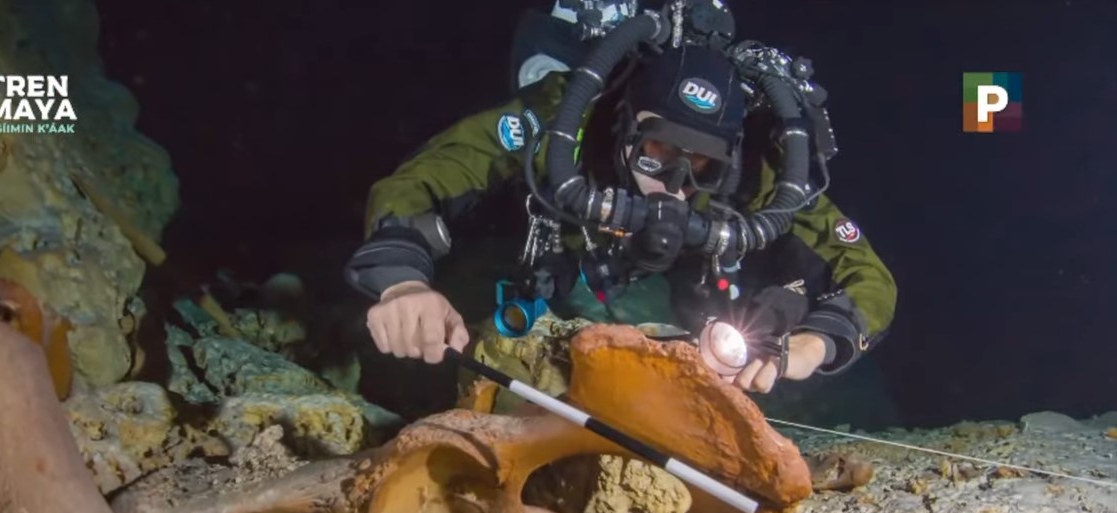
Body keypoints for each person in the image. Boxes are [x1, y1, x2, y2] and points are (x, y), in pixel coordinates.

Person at [343, 41, 897, 396]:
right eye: (657, 150)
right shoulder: (564, 120)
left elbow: (866, 273)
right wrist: (401, 283)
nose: (676, 182)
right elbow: (425, 177)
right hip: (558, 253)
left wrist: (814, 345)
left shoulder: (758, 174)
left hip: (689, 291)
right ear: (626, 125)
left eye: (702, 163)